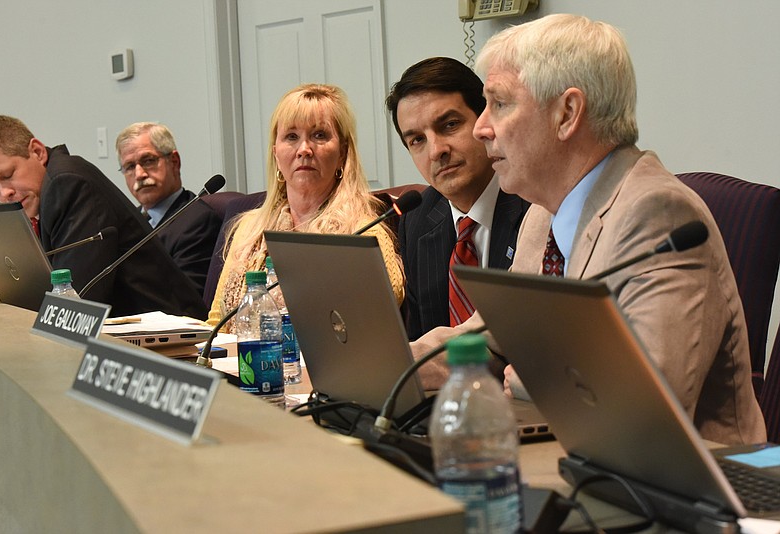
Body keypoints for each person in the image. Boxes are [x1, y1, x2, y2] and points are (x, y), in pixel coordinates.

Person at [411, 14, 765, 445]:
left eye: (499, 104)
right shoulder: (542, 213)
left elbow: (644, 408)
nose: (482, 128)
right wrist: (391, 363)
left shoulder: (659, 214)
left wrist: (528, 375)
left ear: (567, 114)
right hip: (577, 454)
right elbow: (489, 339)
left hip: (691, 488)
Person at [208, 83, 404, 330]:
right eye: (291, 137)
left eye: (319, 135)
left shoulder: (364, 232)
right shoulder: (250, 228)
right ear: (276, 154)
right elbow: (216, 323)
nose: (304, 150)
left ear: (343, 153)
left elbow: (377, 315)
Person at [0, 115, 207, 319]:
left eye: (8, 175)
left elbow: (75, 303)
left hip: (171, 337)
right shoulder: (43, 194)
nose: (5, 193)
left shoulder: (66, 183)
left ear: (38, 152)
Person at [386, 57, 529, 341]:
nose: (436, 150)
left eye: (450, 125)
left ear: (486, 122)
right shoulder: (417, 221)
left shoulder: (535, 204)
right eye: (417, 140)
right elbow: (421, 343)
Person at [115, 122, 221, 298]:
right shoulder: (126, 223)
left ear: (174, 162)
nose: (139, 174)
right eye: (130, 167)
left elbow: (185, 299)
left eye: (148, 161)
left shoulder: (197, 221)